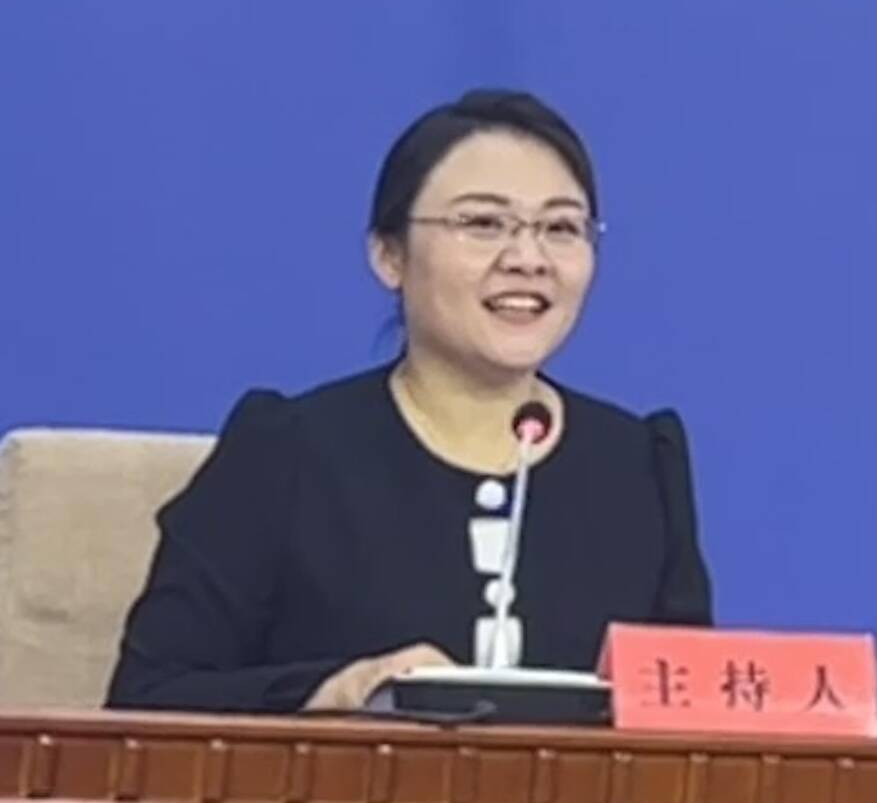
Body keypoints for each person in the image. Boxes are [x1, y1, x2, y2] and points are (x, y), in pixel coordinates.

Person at [108, 89, 712, 713]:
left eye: (561, 228)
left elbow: (691, 719)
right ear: (389, 255)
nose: (528, 259)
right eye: (483, 224)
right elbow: (147, 701)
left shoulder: (639, 464)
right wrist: (339, 692)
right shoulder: (287, 452)